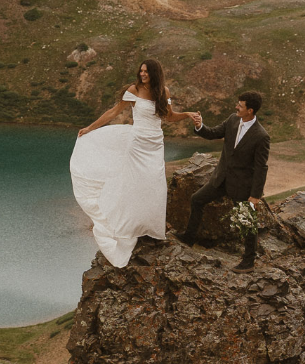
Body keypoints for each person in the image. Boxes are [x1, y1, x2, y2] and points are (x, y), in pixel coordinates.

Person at [68, 58, 181, 267]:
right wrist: (90, 128)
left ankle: (152, 228)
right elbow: (113, 112)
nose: (143, 74)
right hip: (137, 144)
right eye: (141, 71)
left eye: (146, 71)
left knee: (155, 185)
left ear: (155, 73)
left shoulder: (163, 91)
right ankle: (132, 227)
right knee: (134, 184)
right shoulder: (134, 90)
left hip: (155, 144)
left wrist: (188, 115)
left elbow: (170, 116)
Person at [177, 90, 271, 260]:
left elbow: (261, 168)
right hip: (220, 179)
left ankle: (248, 260)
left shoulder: (261, 136)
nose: (236, 107)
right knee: (196, 199)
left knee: (246, 222)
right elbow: (212, 133)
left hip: (241, 186)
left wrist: (255, 196)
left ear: (250, 110)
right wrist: (199, 125)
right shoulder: (232, 119)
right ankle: (188, 238)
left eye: (240, 105)